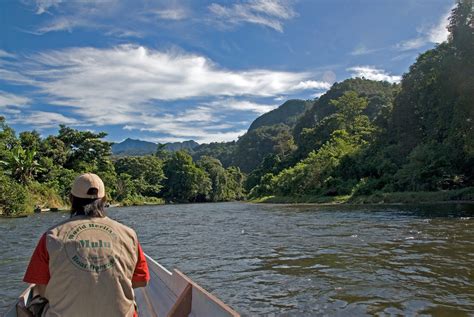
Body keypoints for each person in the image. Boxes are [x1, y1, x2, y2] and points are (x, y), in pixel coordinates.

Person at [23, 173, 150, 317]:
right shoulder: (129, 235)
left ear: (71, 199)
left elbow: (42, 287)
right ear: (104, 199)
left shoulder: (52, 236)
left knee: (35, 301)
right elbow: (141, 281)